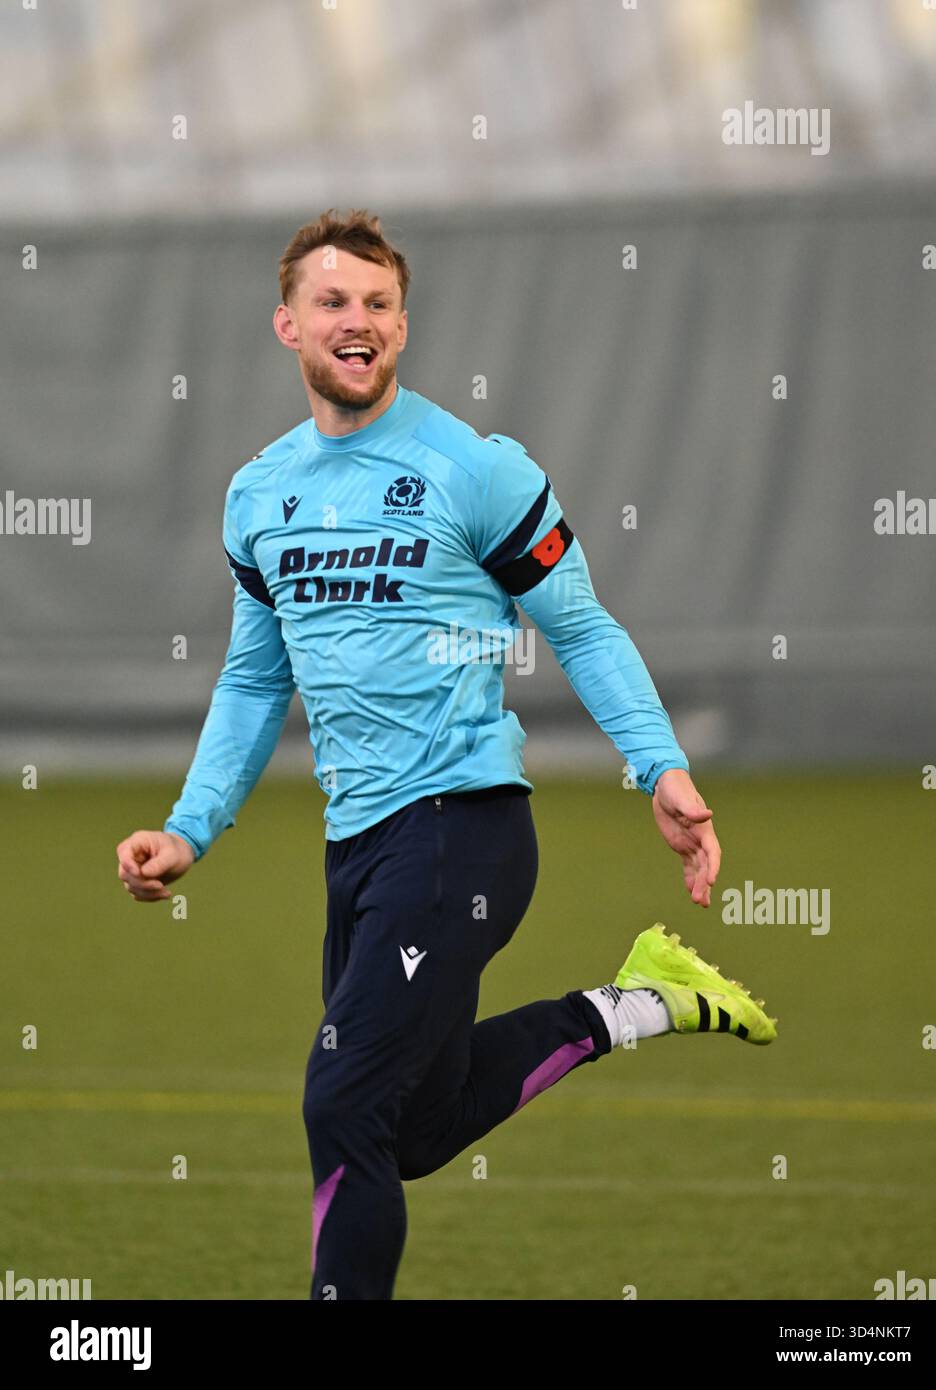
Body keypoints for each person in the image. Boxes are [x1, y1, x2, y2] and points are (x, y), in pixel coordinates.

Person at [116, 208, 776, 1301]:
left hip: (460, 837)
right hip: (359, 848)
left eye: (377, 304)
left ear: (403, 326)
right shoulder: (257, 496)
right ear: (289, 324)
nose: (356, 320)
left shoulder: (474, 469)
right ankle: (636, 1004)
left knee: (340, 1107)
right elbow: (250, 680)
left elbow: (580, 626)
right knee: (410, 1127)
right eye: (333, 301)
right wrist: (189, 830)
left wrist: (660, 768)